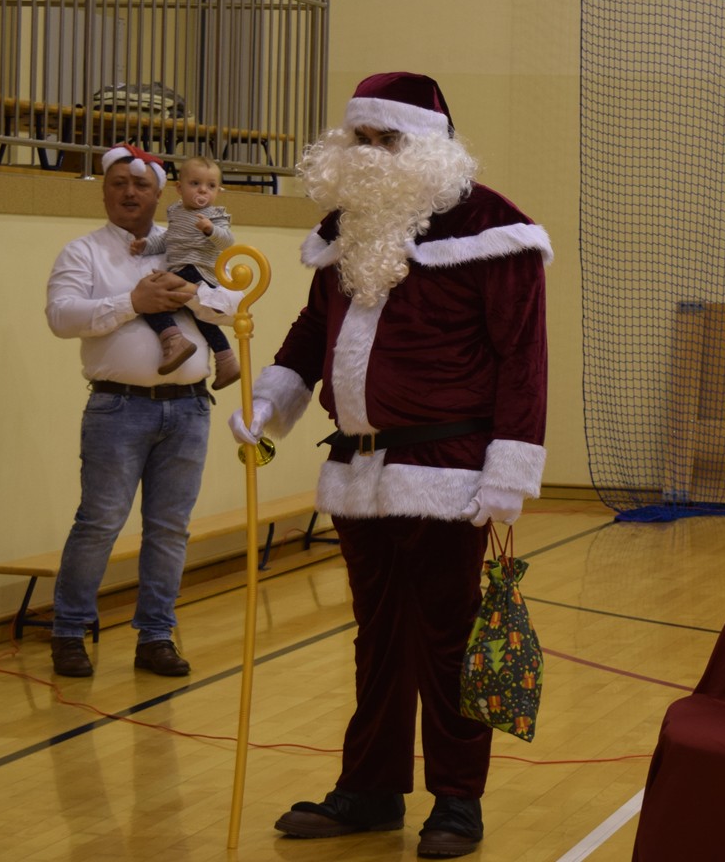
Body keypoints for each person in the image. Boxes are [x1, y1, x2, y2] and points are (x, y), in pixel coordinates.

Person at [230, 72, 550, 858]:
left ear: (430, 145)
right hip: (357, 468)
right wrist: (270, 403)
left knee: (447, 638)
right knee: (377, 638)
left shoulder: (491, 227)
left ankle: (457, 801)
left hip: (448, 468)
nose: (370, 154)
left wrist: (508, 470)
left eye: (388, 139)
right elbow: (313, 330)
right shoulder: (349, 226)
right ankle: (370, 788)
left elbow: (522, 356)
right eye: (360, 139)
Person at [43, 144, 241, 679]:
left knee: (170, 529)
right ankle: (69, 632)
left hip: (190, 409)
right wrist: (133, 303)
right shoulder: (83, 252)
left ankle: (155, 636)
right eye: (118, 183)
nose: (129, 192)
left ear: (161, 194)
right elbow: (61, 317)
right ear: (104, 191)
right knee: (100, 522)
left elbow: (232, 306)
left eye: (140, 185)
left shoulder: (188, 240)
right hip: (118, 408)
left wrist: (190, 296)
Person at [130, 153, 241, 390]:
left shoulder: (216, 216)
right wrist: (146, 246)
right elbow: (168, 240)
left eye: (211, 186)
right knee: (202, 319)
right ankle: (227, 360)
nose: (203, 190)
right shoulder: (176, 212)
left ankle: (174, 340)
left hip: (199, 271)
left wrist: (210, 230)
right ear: (179, 188)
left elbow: (227, 242)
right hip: (181, 268)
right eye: (195, 183)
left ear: (218, 191)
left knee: (153, 300)